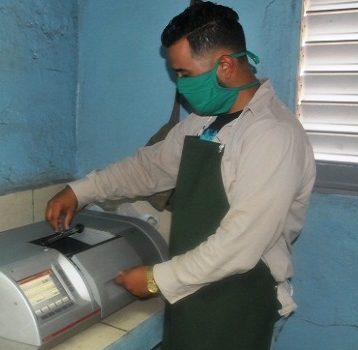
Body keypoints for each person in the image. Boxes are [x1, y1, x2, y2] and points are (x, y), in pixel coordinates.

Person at [45, 2, 316, 349]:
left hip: (241, 300)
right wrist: (80, 191)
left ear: (226, 65)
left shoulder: (272, 136)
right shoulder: (202, 121)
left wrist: (158, 279)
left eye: (185, 74)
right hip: (193, 290)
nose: (180, 85)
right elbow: (148, 168)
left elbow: (240, 245)